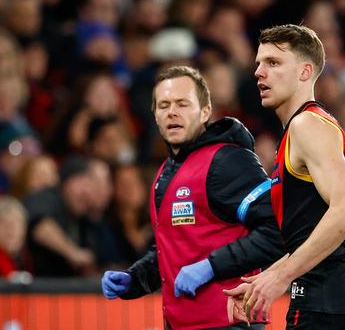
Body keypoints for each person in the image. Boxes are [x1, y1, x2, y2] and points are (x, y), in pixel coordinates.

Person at [100, 66, 284, 329]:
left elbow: (277, 229)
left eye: (182, 104)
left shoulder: (228, 161)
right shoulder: (165, 173)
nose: (172, 112)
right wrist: (135, 279)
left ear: (205, 111)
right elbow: (175, 249)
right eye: (163, 105)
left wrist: (211, 267)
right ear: (154, 115)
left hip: (230, 323)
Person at [224, 24, 345, 329]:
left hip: (327, 299)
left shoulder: (306, 125)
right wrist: (265, 280)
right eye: (258, 63)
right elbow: (315, 231)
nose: (259, 73)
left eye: (273, 63)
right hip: (330, 295)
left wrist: (281, 275)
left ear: (305, 72)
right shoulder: (306, 126)